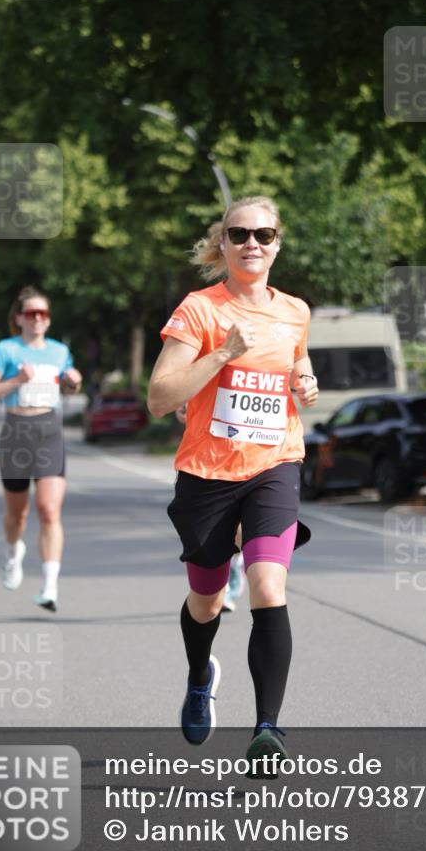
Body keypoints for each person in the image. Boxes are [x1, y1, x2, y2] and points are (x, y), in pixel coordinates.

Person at [148, 196, 319, 773]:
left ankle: (267, 729)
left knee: (269, 585)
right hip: (207, 473)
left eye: (263, 234)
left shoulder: (295, 311)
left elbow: (296, 360)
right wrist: (223, 352)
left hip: (275, 464)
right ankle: (201, 675)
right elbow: (159, 399)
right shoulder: (199, 310)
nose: (252, 243)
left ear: (278, 243)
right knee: (208, 600)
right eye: (239, 233)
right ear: (222, 244)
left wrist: (305, 378)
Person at [0, 286, 82, 611]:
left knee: (49, 509)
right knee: (17, 514)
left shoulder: (59, 351)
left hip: (49, 430)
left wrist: (74, 381)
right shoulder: (5, 349)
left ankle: (49, 587)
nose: (38, 318)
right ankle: (13, 552)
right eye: (31, 313)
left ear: (48, 320)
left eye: (43, 313)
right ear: (19, 318)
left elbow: (68, 386)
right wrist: (17, 380)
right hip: (16, 433)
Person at [175, 402, 245, 613]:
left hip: (255, 451)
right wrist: (185, 403)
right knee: (219, 526)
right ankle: (229, 564)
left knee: (242, 522)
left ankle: (234, 563)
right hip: (209, 456)